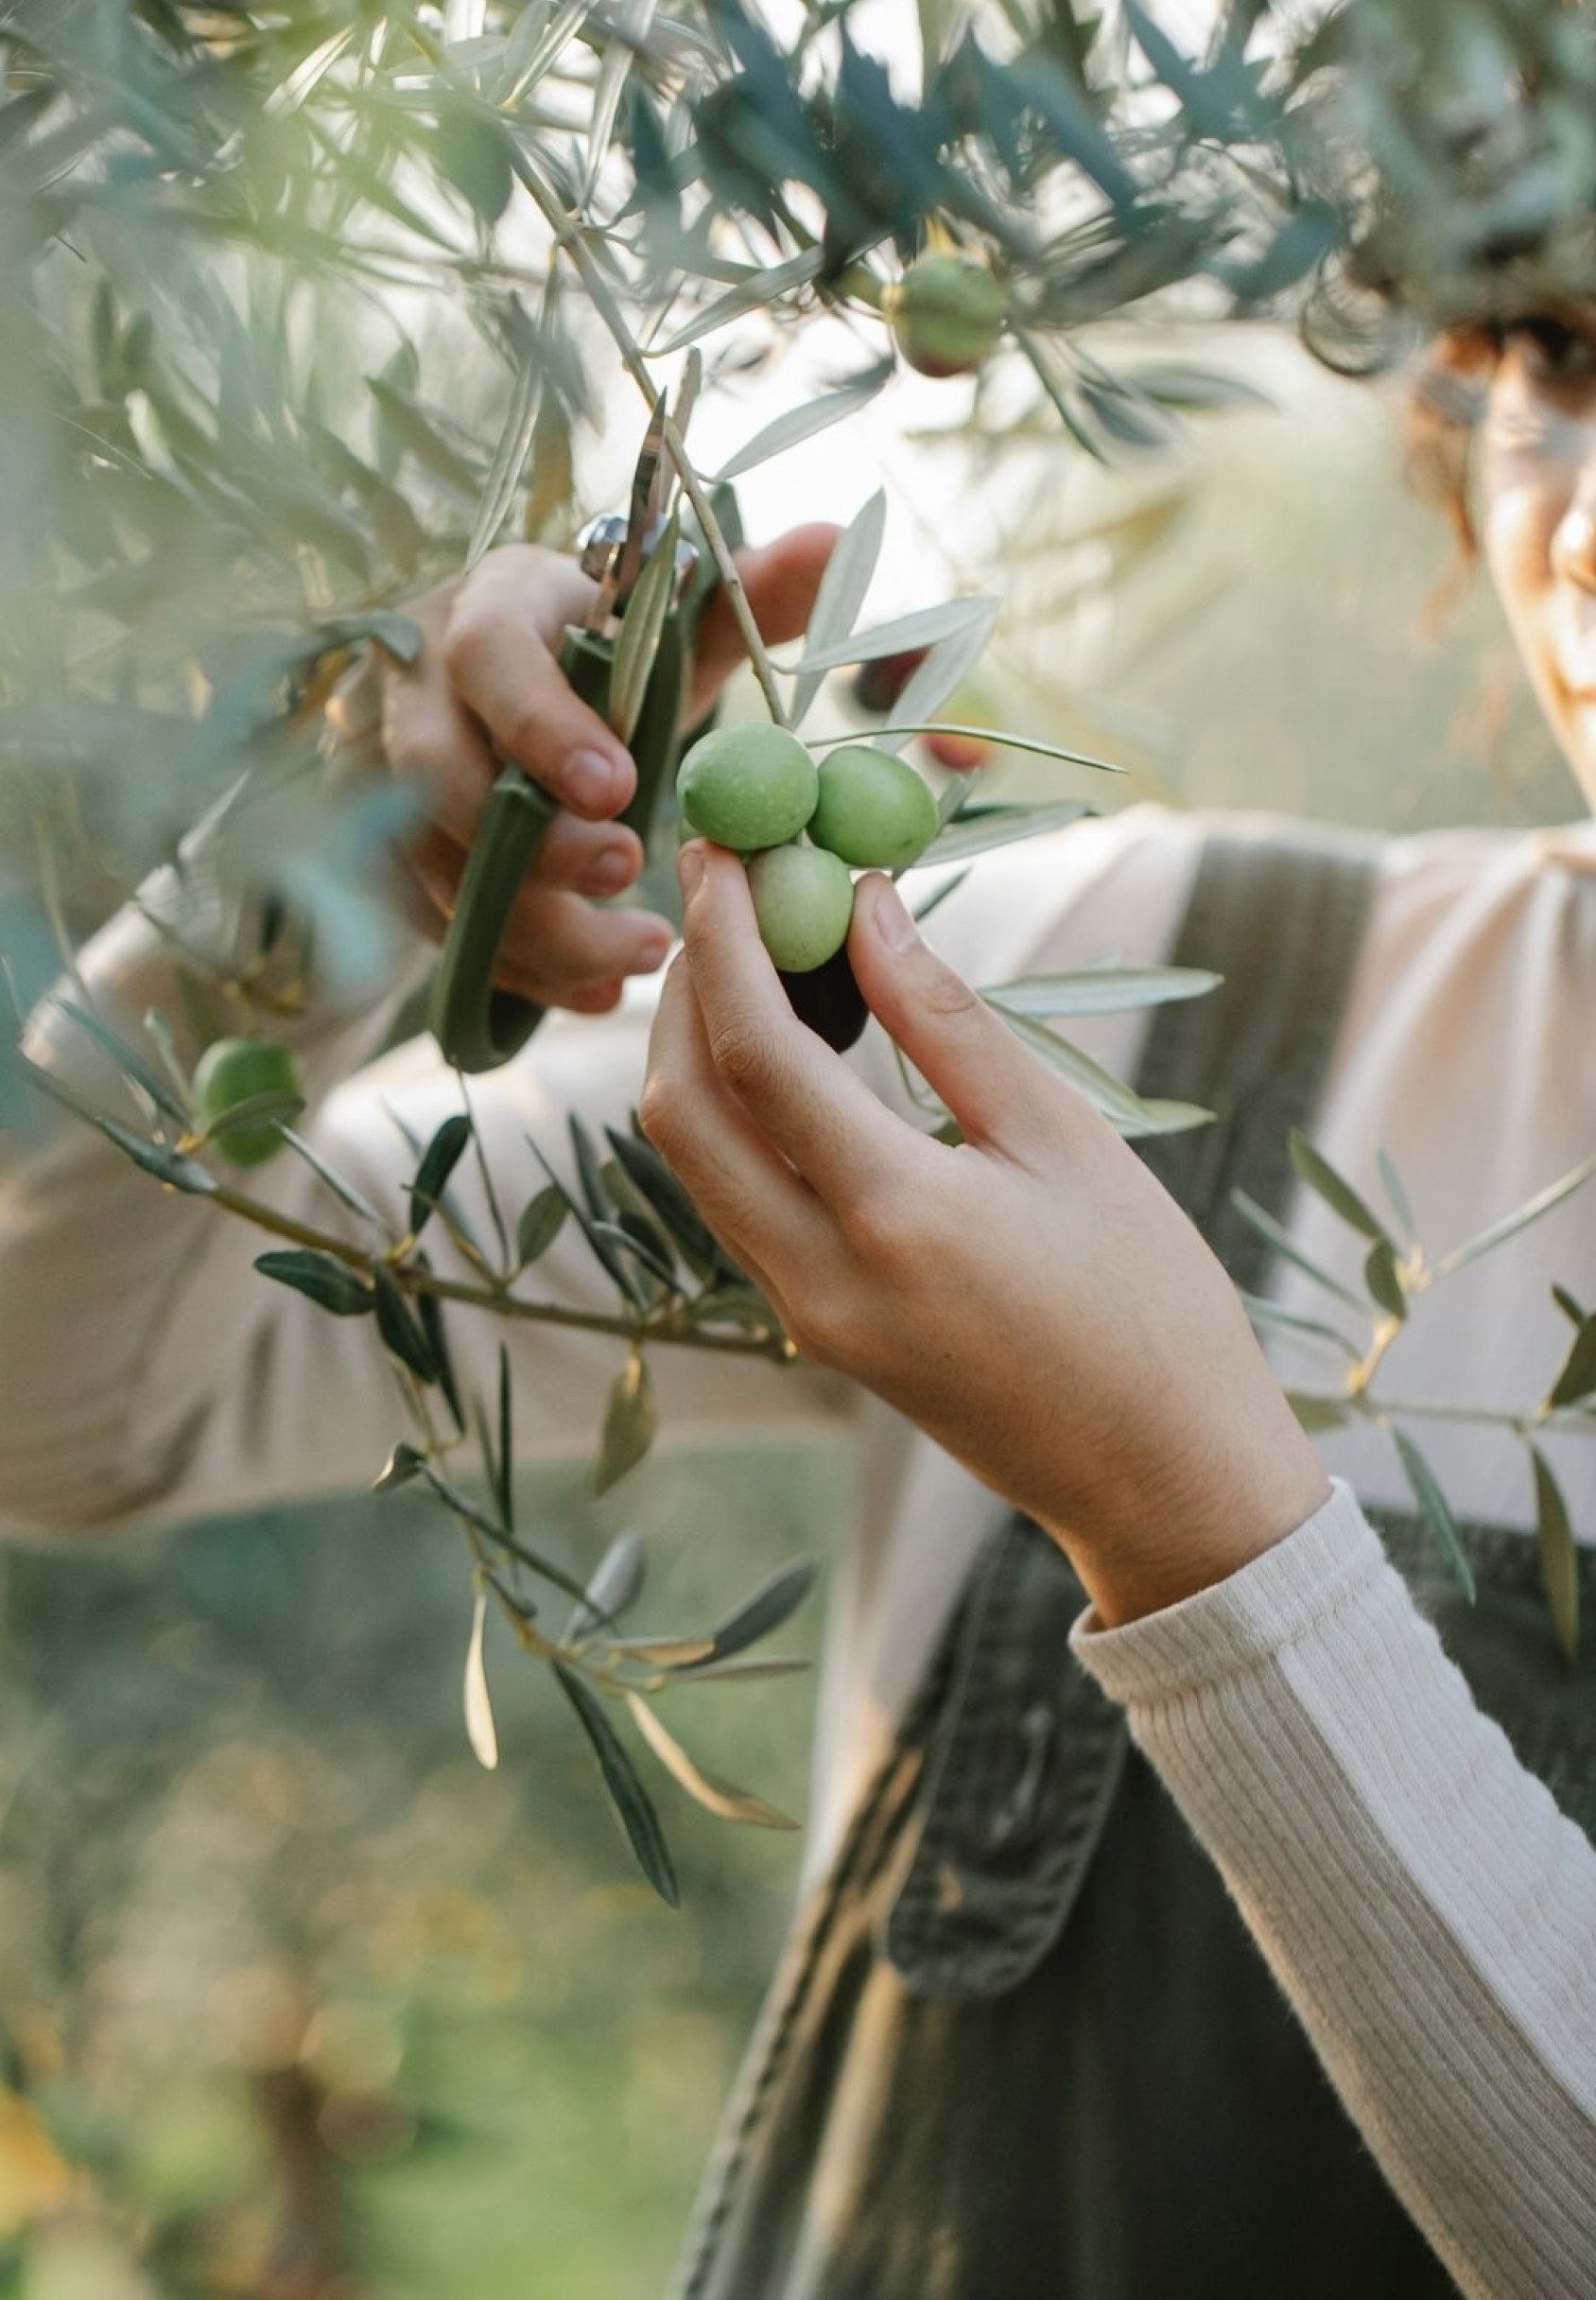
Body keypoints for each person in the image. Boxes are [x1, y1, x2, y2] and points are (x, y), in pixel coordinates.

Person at [6, 292, 1596, 2295]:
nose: (1585, 516)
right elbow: (58, 1403)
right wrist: (339, 875)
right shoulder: (1120, 1002)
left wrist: (1184, 1517)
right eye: (1562, 356)